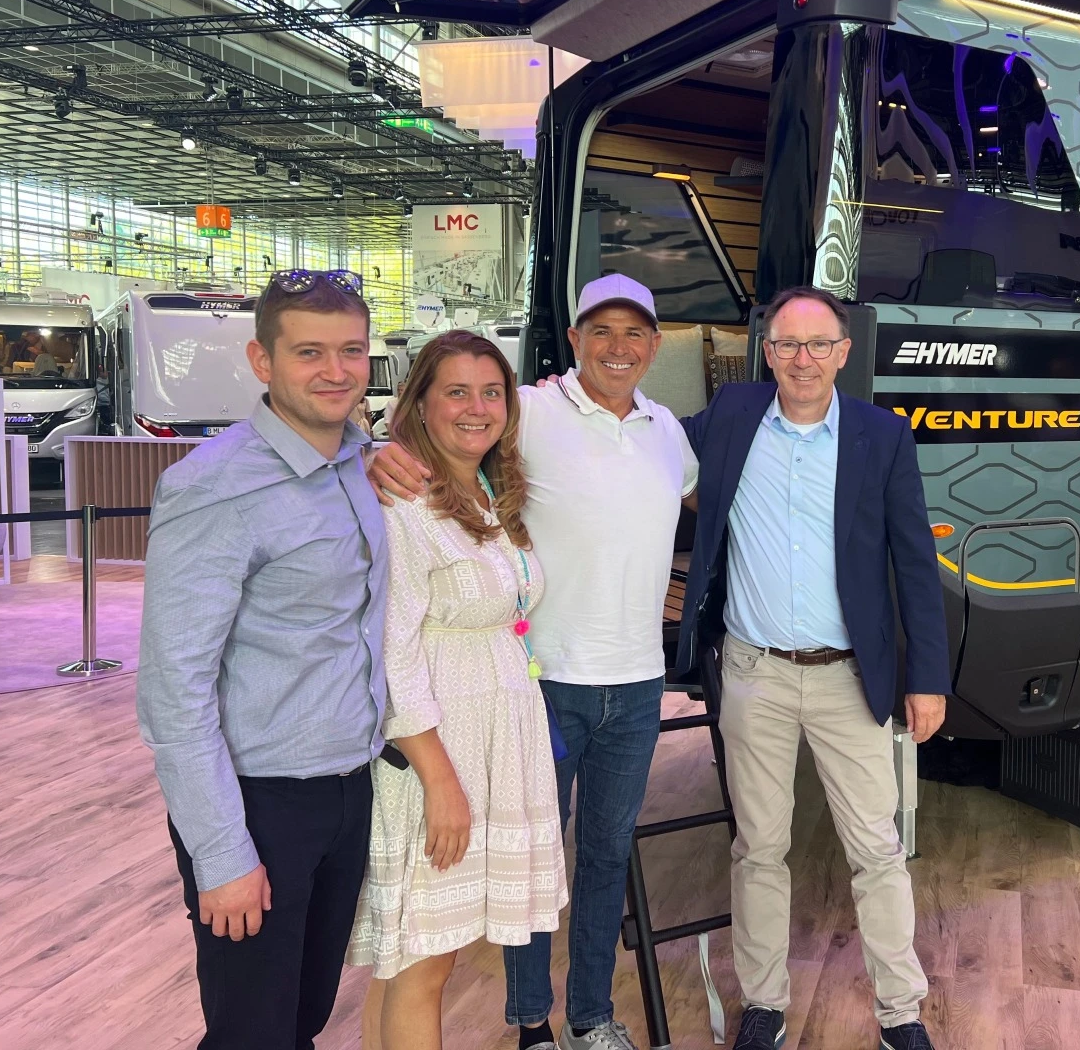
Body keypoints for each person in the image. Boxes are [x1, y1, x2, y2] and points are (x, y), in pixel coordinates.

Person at [369, 274, 696, 1050]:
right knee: (527, 864)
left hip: (636, 680)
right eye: (601, 330)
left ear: (655, 345)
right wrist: (372, 453)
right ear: (574, 340)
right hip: (540, 680)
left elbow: (693, 499)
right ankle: (531, 1024)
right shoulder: (529, 408)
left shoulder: (667, 431)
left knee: (602, 856)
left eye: (635, 332)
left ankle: (591, 1014)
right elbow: (429, 425)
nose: (618, 347)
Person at [678, 285, 950, 1050]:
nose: (803, 359)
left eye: (818, 344)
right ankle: (763, 1005)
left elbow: (914, 564)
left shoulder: (881, 436)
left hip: (847, 679)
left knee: (877, 849)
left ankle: (901, 1014)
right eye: (788, 344)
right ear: (766, 352)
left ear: (843, 352)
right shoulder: (730, 417)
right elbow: (633, 433)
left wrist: (928, 678)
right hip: (755, 673)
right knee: (758, 848)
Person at [136, 268, 384, 1050]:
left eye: (351, 351)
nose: (336, 371)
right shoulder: (214, 487)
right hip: (258, 803)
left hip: (348, 789)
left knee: (303, 1018)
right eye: (310, 352)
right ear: (261, 360)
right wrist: (220, 853)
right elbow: (173, 690)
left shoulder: (358, 464)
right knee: (253, 1033)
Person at [348, 330, 567, 1049]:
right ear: (420, 403)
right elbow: (393, 651)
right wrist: (440, 781)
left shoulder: (487, 490)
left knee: (411, 958)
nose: (477, 408)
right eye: (456, 392)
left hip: (495, 730)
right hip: (439, 747)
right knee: (423, 960)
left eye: (491, 392)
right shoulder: (403, 500)